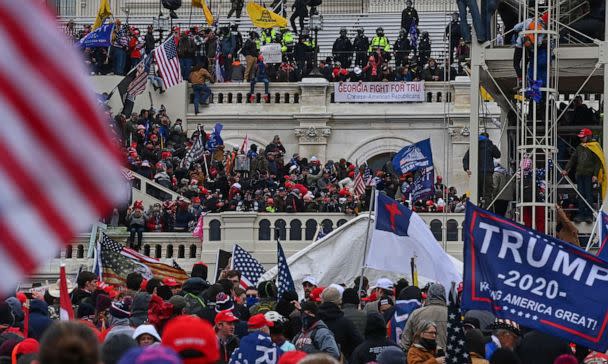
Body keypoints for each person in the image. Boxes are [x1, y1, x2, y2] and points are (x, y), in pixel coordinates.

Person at [562, 128, 603, 223]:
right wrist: (566, 169)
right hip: (579, 174)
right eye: (581, 137)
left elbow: (598, 162)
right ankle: (581, 214)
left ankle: (589, 215)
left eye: (583, 137)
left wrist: (595, 175)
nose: (581, 139)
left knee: (588, 195)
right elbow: (573, 159)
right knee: (580, 195)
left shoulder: (595, 146)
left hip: (589, 175)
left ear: (588, 136)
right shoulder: (579, 147)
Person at [318, 287, 363, 360]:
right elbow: (359, 342)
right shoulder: (345, 322)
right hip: (342, 359)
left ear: (322, 300)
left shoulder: (315, 321)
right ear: (339, 301)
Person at [401, 284, 448, 352]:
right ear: (444, 295)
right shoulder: (452, 315)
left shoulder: (416, 313)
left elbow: (405, 342)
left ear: (429, 295)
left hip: (421, 359)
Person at [462, 132, 501, 208]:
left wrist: (466, 169)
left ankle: (476, 209)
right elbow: (498, 155)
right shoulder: (490, 145)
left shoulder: (474, 146)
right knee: (487, 193)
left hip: (476, 173)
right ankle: (487, 210)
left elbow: (465, 158)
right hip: (487, 173)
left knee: (475, 193)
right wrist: (492, 145)